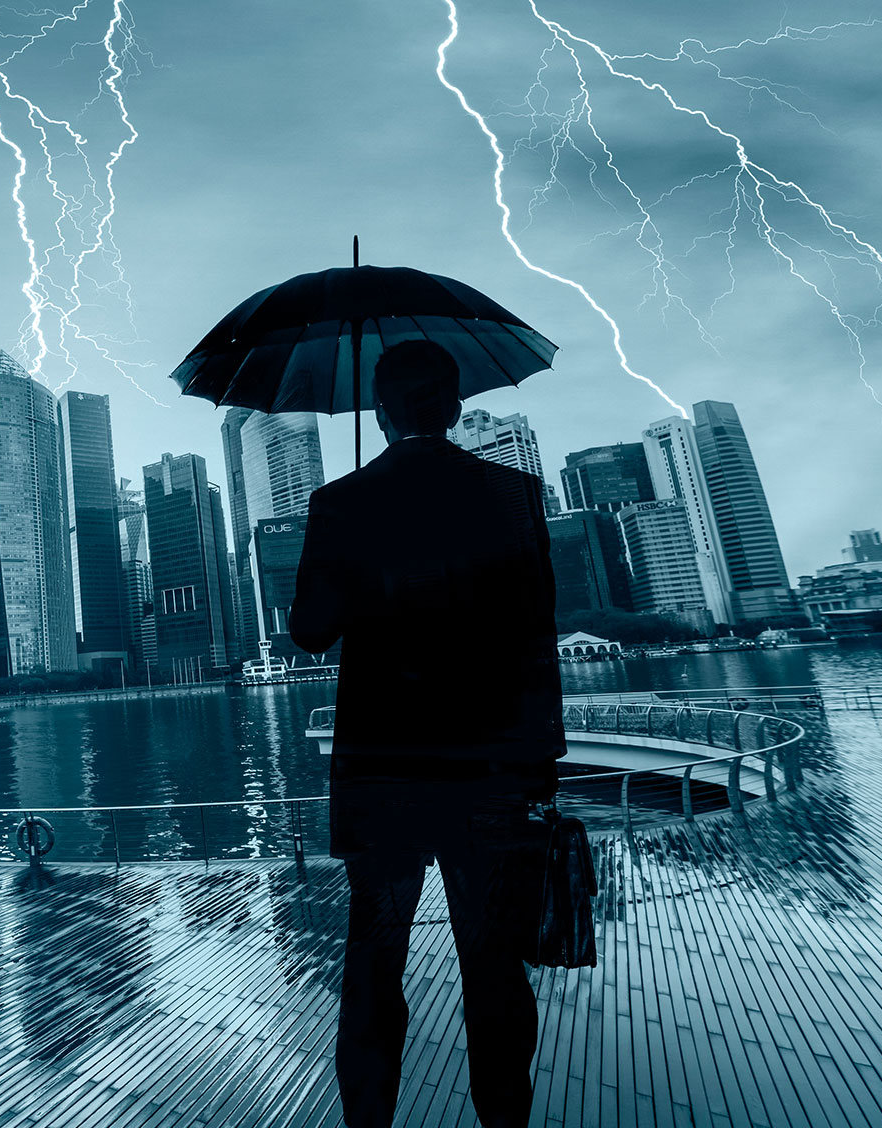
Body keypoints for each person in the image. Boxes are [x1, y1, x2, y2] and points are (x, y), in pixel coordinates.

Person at [290, 338, 564, 1128]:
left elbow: (311, 631)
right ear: (452, 407)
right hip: (492, 771)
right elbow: (536, 632)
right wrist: (541, 763)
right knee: (493, 963)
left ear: (378, 414)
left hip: (382, 777)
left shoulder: (341, 503)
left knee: (375, 961)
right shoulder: (513, 494)